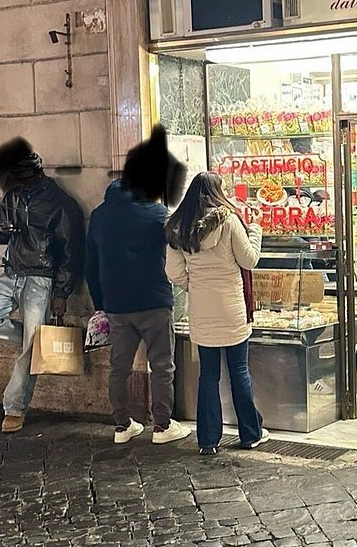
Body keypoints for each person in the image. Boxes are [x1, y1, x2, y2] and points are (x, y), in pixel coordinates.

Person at [0, 138, 85, 433]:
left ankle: (15, 407)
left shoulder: (61, 204)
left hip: (41, 278)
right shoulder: (13, 197)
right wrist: (0, 231)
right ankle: (33, 344)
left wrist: (61, 293)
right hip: (11, 272)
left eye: (20, 178)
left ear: (36, 173)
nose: (16, 183)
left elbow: (71, 253)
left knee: (29, 349)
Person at [86, 126, 191, 447]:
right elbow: (179, 248)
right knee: (161, 365)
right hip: (154, 301)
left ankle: (122, 425)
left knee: (119, 367)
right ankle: (162, 425)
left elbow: (90, 264)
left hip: (116, 305)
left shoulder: (100, 215)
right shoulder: (158, 214)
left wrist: (100, 301)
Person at [165, 172, 266, 455]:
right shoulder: (230, 221)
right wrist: (256, 230)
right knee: (239, 371)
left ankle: (208, 440)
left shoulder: (178, 227)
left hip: (201, 311)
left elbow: (173, 272)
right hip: (232, 309)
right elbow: (249, 260)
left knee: (208, 376)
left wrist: (195, 286)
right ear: (217, 193)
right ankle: (250, 433)